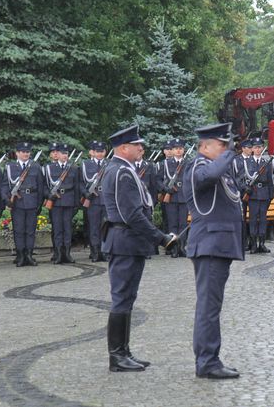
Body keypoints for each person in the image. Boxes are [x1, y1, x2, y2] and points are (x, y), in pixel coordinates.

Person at [101, 125, 175, 372]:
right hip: (125, 241)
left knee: (127, 298)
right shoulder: (120, 172)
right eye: (137, 145)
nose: (141, 148)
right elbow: (131, 214)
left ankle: (124, 351)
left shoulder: (123, 169)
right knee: (122, 298)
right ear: (124, 148)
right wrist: (161, 238)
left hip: (128, 241)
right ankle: (116, 356)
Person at [183, 122, 243, 379]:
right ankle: (207, 362)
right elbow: (208, 177)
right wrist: (230, 153)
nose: (226, 149)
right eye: (222, 145)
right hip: (209, 245)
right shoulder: (198, 167)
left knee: (211, 306)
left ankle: (209, 358)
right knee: (208, 307)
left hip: (218, 245)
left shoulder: (215, 168)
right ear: (205, 146)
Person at [4, 142, 45, 267]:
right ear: (17, 153)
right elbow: (5, 185)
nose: (26, 154)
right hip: (17, 203)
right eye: (23, 152)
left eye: (27, 152)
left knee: (30, 231)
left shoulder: (35, 166)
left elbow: (41, 186)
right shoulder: (10, 166)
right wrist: (7, 200)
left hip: (32, 201)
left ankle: (29, 255)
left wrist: (39, 204)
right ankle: (20, 255)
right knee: (19, 230)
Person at [44, 143, 79, 264]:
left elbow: (77, 187)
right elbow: (44, 185)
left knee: (67, 229)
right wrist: (49, 196)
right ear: (56, 154)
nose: (65, 156)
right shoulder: (49, 167)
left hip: (69, 201)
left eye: (66, 154)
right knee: (57, 229)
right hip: (55, 202)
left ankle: (67, 254)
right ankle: (58, 254)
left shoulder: (73, 168)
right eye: (62, 153)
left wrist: (76, 204)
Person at [160, 138, 188, 257]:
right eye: (176, 149)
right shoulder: (165, 163)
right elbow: (158, 180)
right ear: (172, 150)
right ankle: (173, 248)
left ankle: (182, 247)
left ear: (183, 150)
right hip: (170, 197)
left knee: (183, 224)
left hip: (184, 197)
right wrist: (166, 189)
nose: (178, 151)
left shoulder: (188, 163)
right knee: (172, 224)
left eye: (180, 148)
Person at [81, 140, 108, 262]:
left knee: (105, 227)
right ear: (92, 152)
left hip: (106, 200)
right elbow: (80, 183)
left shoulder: (109, 164)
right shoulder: (85, 164)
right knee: (94, 227)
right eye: (98, 151)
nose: (100, 154)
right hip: (92, 200)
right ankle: (95, 251)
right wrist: (86, 193)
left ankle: (104, 251)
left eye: (102, 151)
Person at [245, 137, 272, 253]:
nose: (257, 149)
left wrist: (270, 196)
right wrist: (246, 188)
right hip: (253, 195)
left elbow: (270, 180)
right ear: (252, 149)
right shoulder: (247, 162)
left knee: (263, 220)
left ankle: (262, 243)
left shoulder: (266, 163)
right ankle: (254, 245)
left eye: (259, 147)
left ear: (262, 148)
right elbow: (242, 178)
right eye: (255, 147)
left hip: (264, 194)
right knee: (253, 220)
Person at [233, 138, 253, 251]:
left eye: (251, 148)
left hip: (253, 192)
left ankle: (253, 242)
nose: (251, 150)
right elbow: (234, 178)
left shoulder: (254, 160)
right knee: (242, 218)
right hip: (241, 193)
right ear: (243, 149)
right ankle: (243, 242)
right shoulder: (236, 160)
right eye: (249, 148)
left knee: (254, 218)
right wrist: (243, 187)